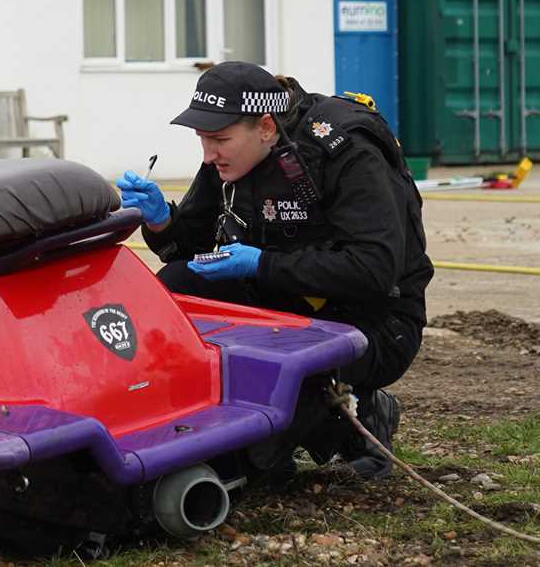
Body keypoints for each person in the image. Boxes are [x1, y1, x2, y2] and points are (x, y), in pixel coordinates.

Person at [116, 62, 432, 480]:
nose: (208, 155)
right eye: (202, 140)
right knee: (177, 286)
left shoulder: (345, 151)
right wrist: (160, 220)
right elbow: (187, 251)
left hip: (373, 321)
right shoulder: (231, 159)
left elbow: (375, 270)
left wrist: (262, 263)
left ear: (265, 127)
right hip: (283, 304)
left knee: (251, 464)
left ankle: (360, 416)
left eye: (219, 140)